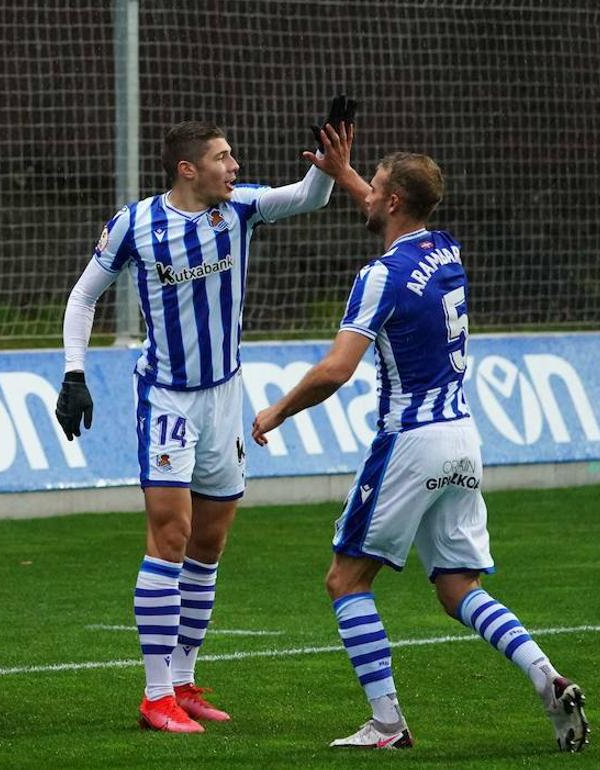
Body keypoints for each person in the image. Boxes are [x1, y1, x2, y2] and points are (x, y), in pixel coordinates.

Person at [251, 144, 590, 752]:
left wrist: (276, 409)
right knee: (459, 587)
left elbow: (336, 370)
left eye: (375, 187)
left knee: (346, 580)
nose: (369, 194)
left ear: (394, 201)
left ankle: (386, 724)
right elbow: (390, 214)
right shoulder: (446, 249)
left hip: (410, 440)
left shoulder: (377, 277)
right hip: (463, 440)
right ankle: (547, 678)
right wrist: (347, 173)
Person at [55, 97, 357, 733]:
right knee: (169, 536)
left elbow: (307, 197)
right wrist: (74, 373)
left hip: (226, 397)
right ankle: (155, 693)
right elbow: (83, 297)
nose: (234, 165)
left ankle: (186, 680)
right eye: (222, 158)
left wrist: (330, 166)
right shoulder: (135, 225)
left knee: (210, 543)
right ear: (187, 169)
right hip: (166, 398)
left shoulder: (239, 208)